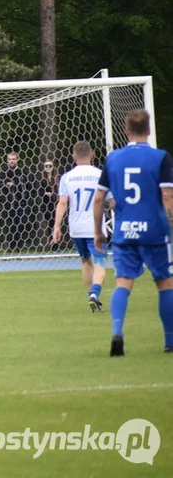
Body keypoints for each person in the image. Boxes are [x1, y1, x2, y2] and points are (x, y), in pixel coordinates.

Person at [93, 109, 173, 357]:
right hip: (155, 231)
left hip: (124, 231)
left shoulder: (113, 158)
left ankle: (117, 332)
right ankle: (170, 340)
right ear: (148, 131)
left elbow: (98, 199)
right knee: (165, 282)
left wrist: (98, 232)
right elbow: (167, 196)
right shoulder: (161, 157)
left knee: (123, 283)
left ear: (126, 132)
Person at [51, 141, 109, 312]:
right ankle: (94, 293)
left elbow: (62, 203)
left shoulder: (67, 177)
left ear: (73, 157)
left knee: (85, 261)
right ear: (92, 154)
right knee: (99, 264)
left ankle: (90, 294)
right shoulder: (101, 175)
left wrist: (56, 226)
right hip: (95, 228)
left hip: (76, 228)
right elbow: (111, 201)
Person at [0, 151, 31, 252]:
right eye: (9, 159)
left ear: (17, 160)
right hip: (9, 203)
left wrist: (16, 185)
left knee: (22, 223)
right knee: (12, 224)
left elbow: (28, 186)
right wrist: (6, 185)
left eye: (13, 159)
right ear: (7, 160)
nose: (11, 161)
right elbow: (0, 186)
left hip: (22, 201)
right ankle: (12, 246)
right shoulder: (4, 173)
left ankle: (19, 245)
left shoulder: (23, 172)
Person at [40, 159, 60, 246]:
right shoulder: (42, 180)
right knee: (50, 223)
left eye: (50, 166)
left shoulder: (57, 179)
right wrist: (44, 193)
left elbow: (60, 192)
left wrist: (53, 194)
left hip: (55, 203)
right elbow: (39, 192)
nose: (48, 167)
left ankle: (56, 242)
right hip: (46, 204)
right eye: (46, 166)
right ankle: (52, 242)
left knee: (56, 222)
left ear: (53, 167)